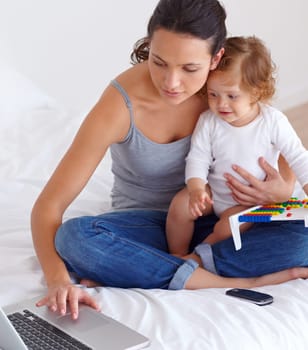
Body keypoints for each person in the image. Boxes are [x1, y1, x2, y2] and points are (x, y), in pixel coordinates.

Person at [31, 0, 308, 321]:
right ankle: (231, 281)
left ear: (215, 58)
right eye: (159, 62)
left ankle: (155, 268)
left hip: (223, 216)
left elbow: (276, 133)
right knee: (75, 238)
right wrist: (57, 281)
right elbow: (48, 207)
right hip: (147, 227)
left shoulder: (222, 91)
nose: (171, 82)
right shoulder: (121, 104)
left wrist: (282, 189)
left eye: (190, 68)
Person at [166, 36, 308, 257]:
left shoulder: (273, 121)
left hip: (250, 202)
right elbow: (197, 158)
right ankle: (175, 254)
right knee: (179, 206)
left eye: (232, 96)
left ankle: (194, 258)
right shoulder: (208, 121)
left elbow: (298, 157)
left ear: (256, 92)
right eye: (213, 94)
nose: (221, 104)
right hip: (214, 193)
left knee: (226, 227)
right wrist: (196, 189)